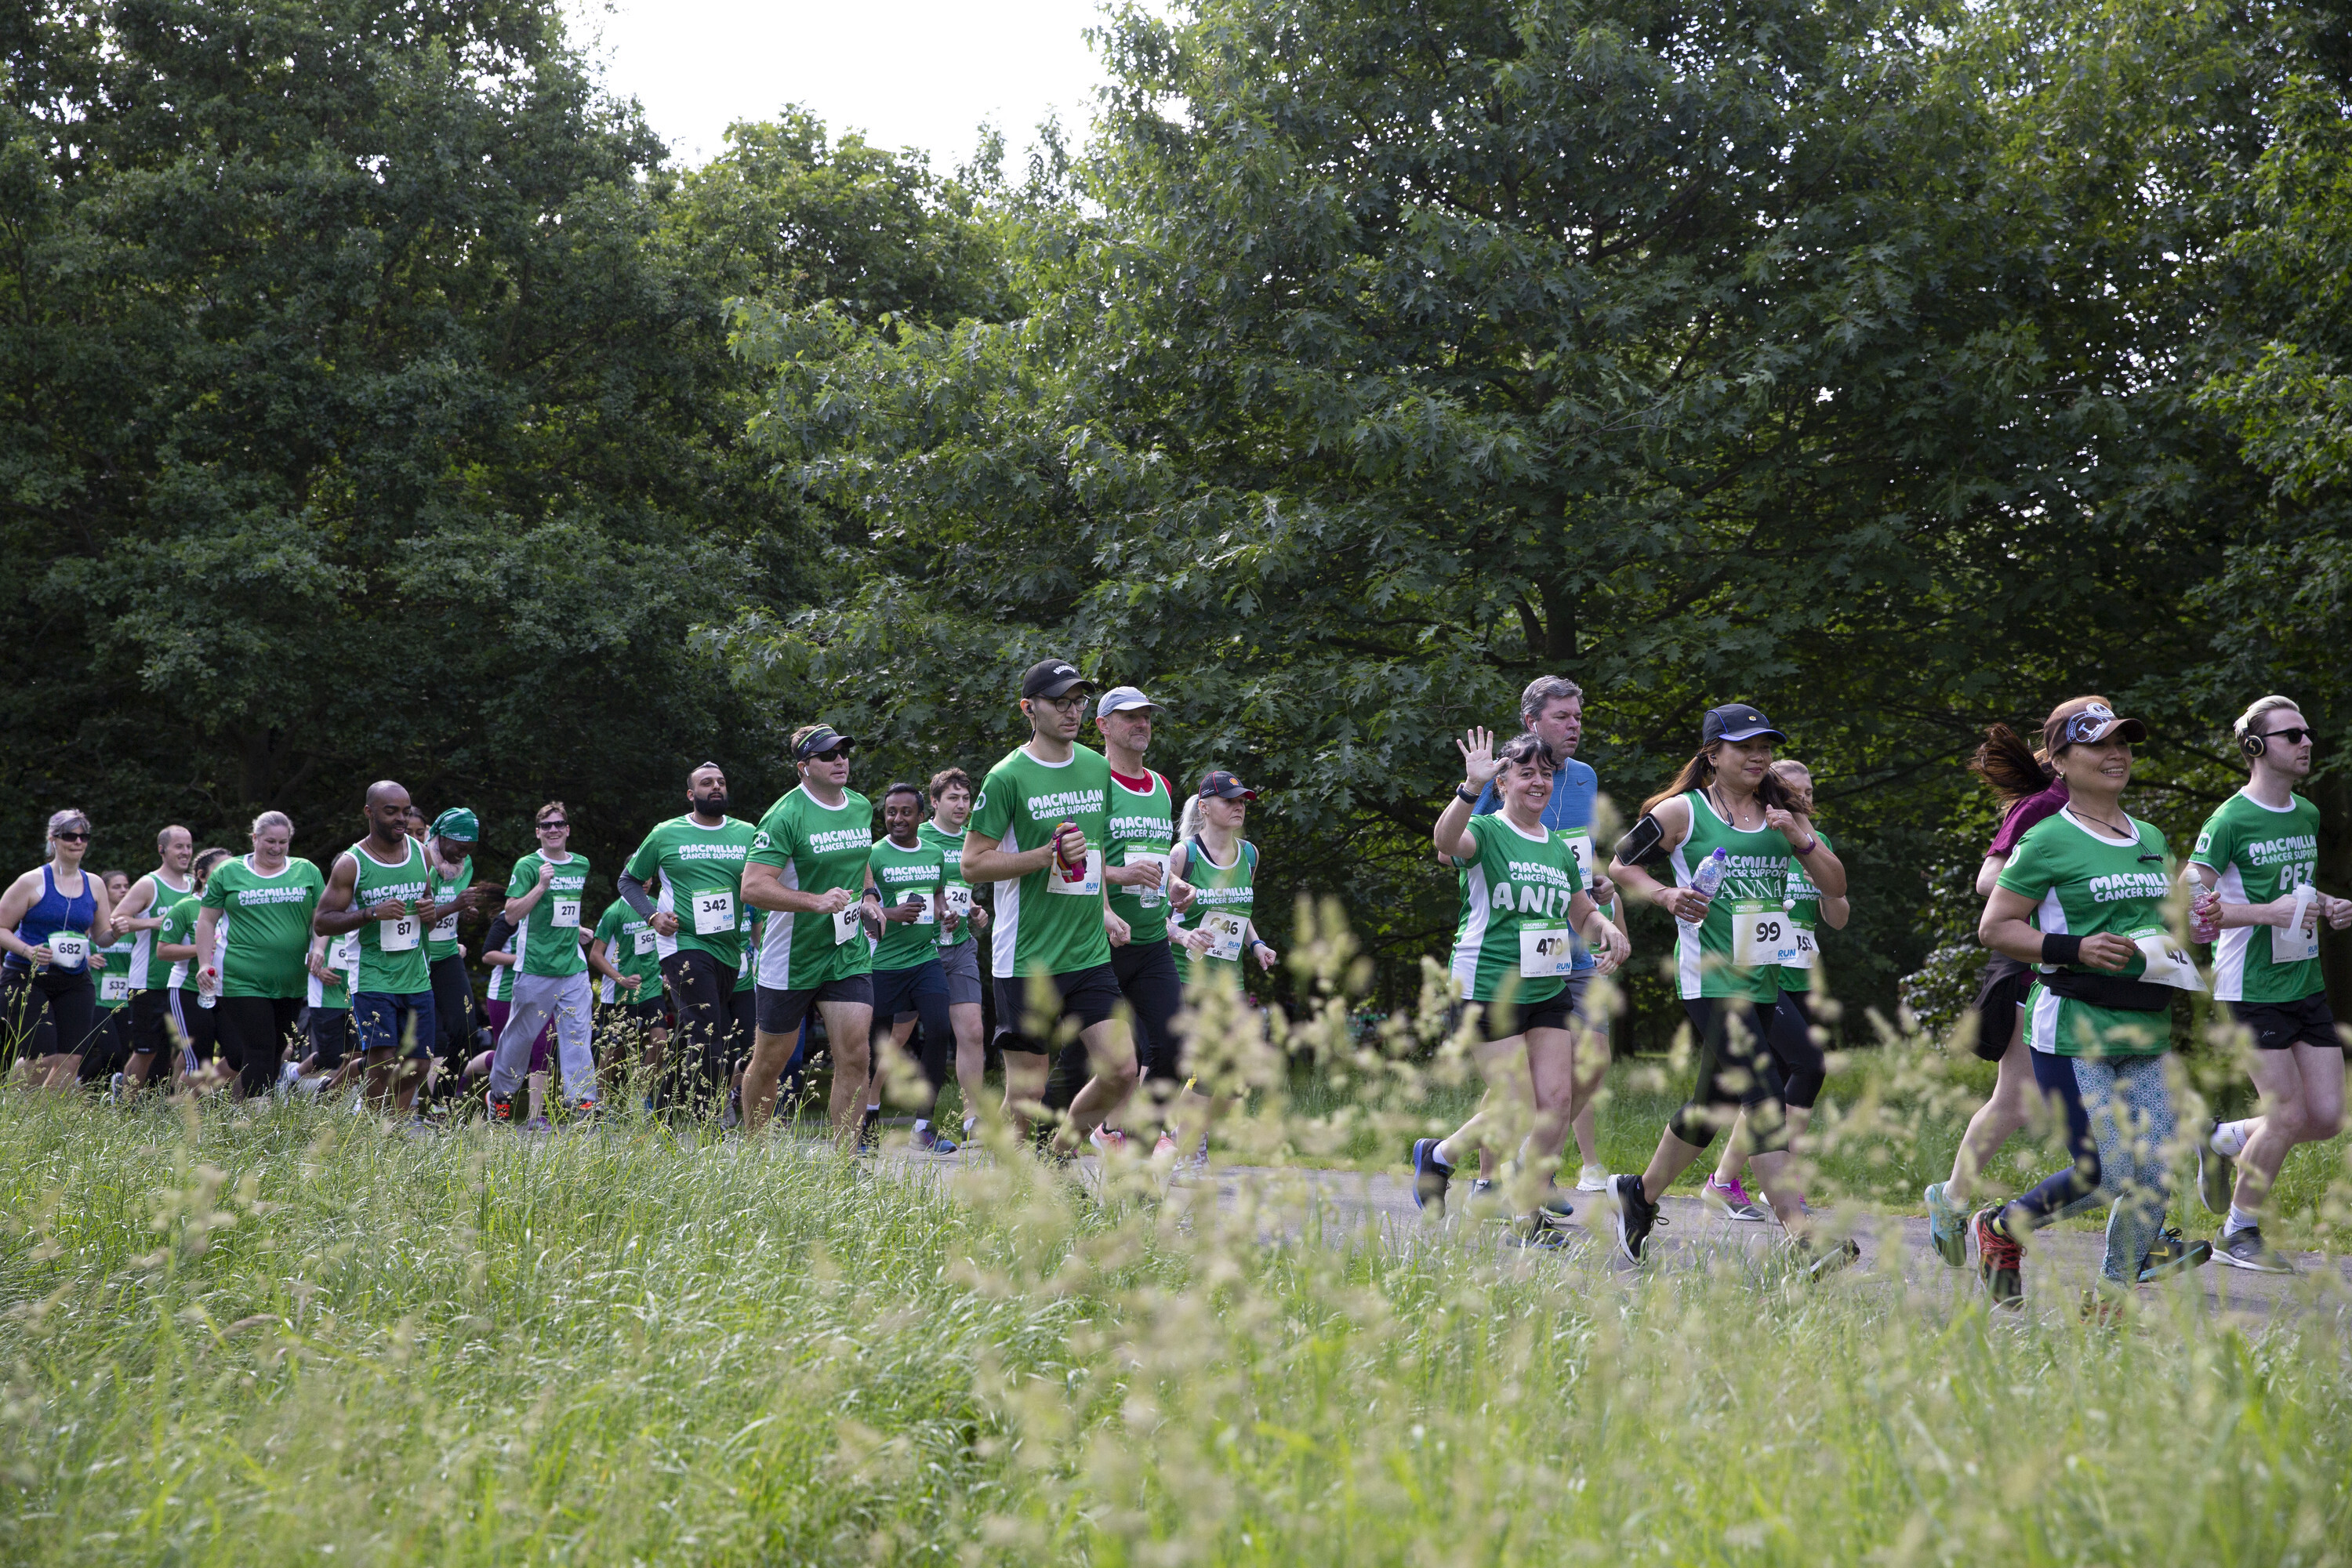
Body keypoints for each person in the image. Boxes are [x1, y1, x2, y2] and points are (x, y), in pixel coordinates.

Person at [1971, 697, 2214, 1315]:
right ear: (2059, 761)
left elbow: (2157, 925)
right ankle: (2001, 1229)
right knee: (2104, 1175)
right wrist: (2073, 946)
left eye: (2124, 744)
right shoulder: (2046, 838)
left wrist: (2196, 922)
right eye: (2099, 744)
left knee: (2156, 1170)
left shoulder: (2150, 836)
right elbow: (1996, 927)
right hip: (2074, 1029)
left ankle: (2108, 1301)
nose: (2117, 755)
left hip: (2147, 1026)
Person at [1602, 704, 1856, 1276]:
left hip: (1763, 978)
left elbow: (1837, 886)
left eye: (1765, 745)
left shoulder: (1783, 809)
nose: (1759, 755)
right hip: (1709, 978)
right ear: (1713, 754)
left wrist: (1803, 842)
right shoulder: (1681, 812)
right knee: (1763, 1088)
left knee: (1712, 1104)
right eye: (1745, 746)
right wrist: (1666, 896)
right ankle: (1803, 1234)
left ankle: (1638, 1196)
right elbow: (1622, 865)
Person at [1410, 732, 1628, 1233]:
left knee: (1556, 1102)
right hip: (1488, 986)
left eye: (1545, 774)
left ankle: (1497, 1197)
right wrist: (1469, 788)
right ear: (1503, 781)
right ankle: (1460, 1172)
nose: (1538, 782)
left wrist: (1607, 928)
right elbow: (1445, 843)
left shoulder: (1555, 845)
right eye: (1526, 772)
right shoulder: (1485, 830)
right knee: (1519, 1103)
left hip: (1545, 988)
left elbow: (1581, 912)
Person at [2187, 695, 2352, 1272]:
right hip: (2248, 985)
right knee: (2284, 1114)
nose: (2307, 742)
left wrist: (2327, 905)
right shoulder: (2229, 820)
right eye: (2291, 735)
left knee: (2327, 1117)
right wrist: (2265, 913)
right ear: (2256, 748)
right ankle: (2239, 1233)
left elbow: (2295, 895)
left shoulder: (2306, 813)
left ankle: (2221, 1139)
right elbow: (2193, 905)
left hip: (2302, 980)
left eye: (2307, 732)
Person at [962, 659, 1138, 1153]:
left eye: (1078, 701)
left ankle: (1057, 1154)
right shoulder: (1006, 778)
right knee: (1027, 1094)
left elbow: (1094, 849)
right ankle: (1008, 1190)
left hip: (1086, 952)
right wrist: (1043, 857)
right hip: (1026, 956)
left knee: (1122, 1068)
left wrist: (1103, 908)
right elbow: (973, 865)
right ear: (1028, 708)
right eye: (1059, 702)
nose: (1071, 711)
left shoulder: (1096, 766)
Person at [1460, 675, 1623, 1194]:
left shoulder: (1585, 778)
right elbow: (1459, 850)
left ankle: (1534, 1157)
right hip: (1517, 942)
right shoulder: (1501, 776)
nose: (1574, 725)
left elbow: (1576, 851)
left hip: (1576, 941)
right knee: (1519, 1079)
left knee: (1593, 1058)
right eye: (1562, 717)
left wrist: (1595, 886)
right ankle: (1491, 1175)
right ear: (1533, 722)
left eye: (1578, 716)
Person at [1922, 724, 2071, 1265]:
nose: (2116, 752)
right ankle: (1954, 1198)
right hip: (2031, 963)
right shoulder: (2044, 805)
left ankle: (2142, 1234)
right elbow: (1988, 882)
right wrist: (2057, 876)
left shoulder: (2111, 813)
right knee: (2015, 1099)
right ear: (2066, 752)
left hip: (2091, 970)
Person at [1704, 758, 1850, 1220]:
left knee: (1757, 1087)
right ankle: (1775, 1181)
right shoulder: (1751, 838)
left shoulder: (1814, 842)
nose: (1803, 799)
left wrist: (1823, 886)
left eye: (1809, 792)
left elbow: (1839, 917)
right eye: (1795, 790)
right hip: (1762, 978)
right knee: (1804, 1069)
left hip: (1804, 975)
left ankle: (1729, 1180)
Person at [741, 724, 880, 1141]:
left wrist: (870, 894)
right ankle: (755, 1153)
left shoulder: (859, 806)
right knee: (770, 1062)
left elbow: (860, 858)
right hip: (791, 957)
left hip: (846, 950)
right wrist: (814, 901)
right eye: (827, 755)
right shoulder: (785, 816)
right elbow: (752, 886)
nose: (840, 760)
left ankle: (846, 1165)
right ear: (804, 767)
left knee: (855, 1055)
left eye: (843, 751)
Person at [314, 782, 485, 1116]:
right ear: (369, 812)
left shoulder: (421, 854)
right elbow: (322, 922)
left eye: (406, 812)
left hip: (416, 973)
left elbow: (429, 916)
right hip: (373, 974)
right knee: (382, 1061)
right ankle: (381, 1135)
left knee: (419, 1065)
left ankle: (383, 1121)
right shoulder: (352, 863)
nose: (401, 819)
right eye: (391, 811)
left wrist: (430, 913)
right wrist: (371, 913)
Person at [1090, 687, 1196, 1153]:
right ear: (1103, 726)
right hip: (1101, 939)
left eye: (1146, 717)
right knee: (1101, 1059)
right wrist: (1118, 880)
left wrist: (1173, 883)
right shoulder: (1094, 782)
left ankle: (1141, 1133)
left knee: (1175, 1046)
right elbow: (1075, 861)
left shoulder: (1161, 785)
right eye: (1130, 717)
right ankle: (1087, 1136)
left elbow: (1154, 858)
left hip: (1152, 940)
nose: (1141, 724)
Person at [619, 763, 759, 1112]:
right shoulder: (666, 833)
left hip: (729, 949)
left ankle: (661, 1112)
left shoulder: (747, 833)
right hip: (683, 943)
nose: (716, 787)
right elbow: (628, 881)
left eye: (722, 782)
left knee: (693, 1037)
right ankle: (707, 1122)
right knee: (711, 1034)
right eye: (707, 782)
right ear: (690, 794)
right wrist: (652, 916)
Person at [1163, 770, 1277, 1168]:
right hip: (1186, 977)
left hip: (1231, 980)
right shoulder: (1184, 855)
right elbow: (1155, 920)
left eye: (1242, 799)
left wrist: (1257, 943)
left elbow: (1238, 910)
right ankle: (1186, 1154)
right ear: (1206, 806)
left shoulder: (1249, 854)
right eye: (1229, 800)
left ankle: (1186, 1134)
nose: (1239, 805)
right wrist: (1184, 936)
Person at [484, 800, 612, 1123]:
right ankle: (500, 1097)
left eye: (559, 824)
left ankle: (582, 1104)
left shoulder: (581, 864)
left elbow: (563, 910)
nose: (553, 830)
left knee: (578, 1036)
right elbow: (511, 914)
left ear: (567, 830)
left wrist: (577, 928)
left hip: (573, 967)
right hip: (536, 969)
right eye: (546, 826)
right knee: (519, 1039)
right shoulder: (528, 866)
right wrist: (541, 886)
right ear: (538, 832)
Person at [887, 768, 993, 1142]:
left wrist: (976, 912)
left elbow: (964, 892)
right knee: (897, 1035)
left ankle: (972, 1118)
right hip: (917, 949)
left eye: (966, 798)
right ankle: (864, 1107)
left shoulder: (974, 840)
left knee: (973, 1031)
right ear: (933, 803)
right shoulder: (918, 837)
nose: (962, 804)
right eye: (953, 798)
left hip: (960, 945)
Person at [191, 811, 325, 1099]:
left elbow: (322, 920)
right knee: (260, 1045)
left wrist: (319, 948)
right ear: (254, 839)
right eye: (269, 842)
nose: (276, 848)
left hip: (291, 979)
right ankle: (257, 1116)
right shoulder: (229, 872)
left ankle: (244, 1109)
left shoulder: (307, 871)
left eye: (283, 842)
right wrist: (204, 963)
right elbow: (205, 921)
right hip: (241, 977)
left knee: (277, 1048)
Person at [866, 781, 961, 1151]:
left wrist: (945, 915)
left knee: (939, 1029)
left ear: (922, 816)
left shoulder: (935, 853)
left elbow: (938, 895)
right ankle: (868, 1119)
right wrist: (892, 913)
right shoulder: (873, 856)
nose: (898, 818)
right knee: (878, 1048)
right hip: (884, 964)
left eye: (906, 812)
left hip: (924, 958)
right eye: (891, 812)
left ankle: (924, 1125)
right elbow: (862, 911)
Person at [0, 809, 115, 1087]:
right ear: (53, 839)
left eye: (83, 836)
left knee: (70, 1059)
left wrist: (117, 933)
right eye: (69, 836)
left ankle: (47, 1118)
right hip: (27, 977)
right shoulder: (32, 881)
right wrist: (28, 951)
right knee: (39, 1058)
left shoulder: (95, 884)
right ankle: (14, 1106)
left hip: (75, 980)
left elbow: (102, 937)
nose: (77, 842)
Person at [109, 826, 196, 1094]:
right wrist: (155, 922)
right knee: (146, 1050)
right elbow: (117, 920)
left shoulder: (196, 886)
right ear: (162, 850)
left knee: (190, 1047)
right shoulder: (150, 884)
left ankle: (172, 1101)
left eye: (189, 847)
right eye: (178, 847)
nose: (185, 852)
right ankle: (124, 1103)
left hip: (184, 980)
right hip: (150, 980)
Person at [423, 808, 491, 1080]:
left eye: (470, 849)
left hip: (448, 954)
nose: (463, 854)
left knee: (466, 1029)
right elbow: (412, 916)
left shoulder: (466, 864)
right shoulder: (420, 863)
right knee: (419, 1034)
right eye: (459, 847)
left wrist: (463, 912)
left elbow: (450, 907)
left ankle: (443, 1100)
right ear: (439, 837)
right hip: (417, 957)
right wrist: (454, 905)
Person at [157, 848, 232, 1085]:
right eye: (221, 871)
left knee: (239, 1054)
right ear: (201, 875)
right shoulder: (185, 907)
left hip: (228, 991)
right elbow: (163, 950)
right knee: (198, 1061)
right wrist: (203, 948)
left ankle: (203, 1100)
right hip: (189, 990)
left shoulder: (234, 907)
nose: (228, 876)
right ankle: (184, 1115)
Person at [591, 881, 666, 1091]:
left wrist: (667, 970)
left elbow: (665, 942)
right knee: (615, 1051)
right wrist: (620, 979)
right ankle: (602, 1104)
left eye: (648, 878)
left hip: (651, 987)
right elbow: (595, 955)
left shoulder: (656, 906)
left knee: (660, 1043)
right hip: (619, 993)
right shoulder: (613, 912)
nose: (645, 883)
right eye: (638, 878)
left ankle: (642, 1099)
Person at [84, 869, 137, 1085]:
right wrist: (85, 960)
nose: (124, 890)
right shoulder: (94, 921)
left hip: (126, 998)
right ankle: (80, 1083)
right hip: (97, 996)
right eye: (117, 886)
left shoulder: (134, 924)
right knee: (111, 1052)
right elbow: (72, 948)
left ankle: (104, 1095)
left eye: (126, 886)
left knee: (123, 1055)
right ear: (104, 892)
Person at [304, 931, 358, 1087]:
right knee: (331, 1057)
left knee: (359, 1052)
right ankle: (294, 1072)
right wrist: (316, 969)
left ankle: (336, 1093)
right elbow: (299, 946)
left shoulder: (366, 909)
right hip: (326, 996)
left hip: (358, 993)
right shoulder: (323, 910)